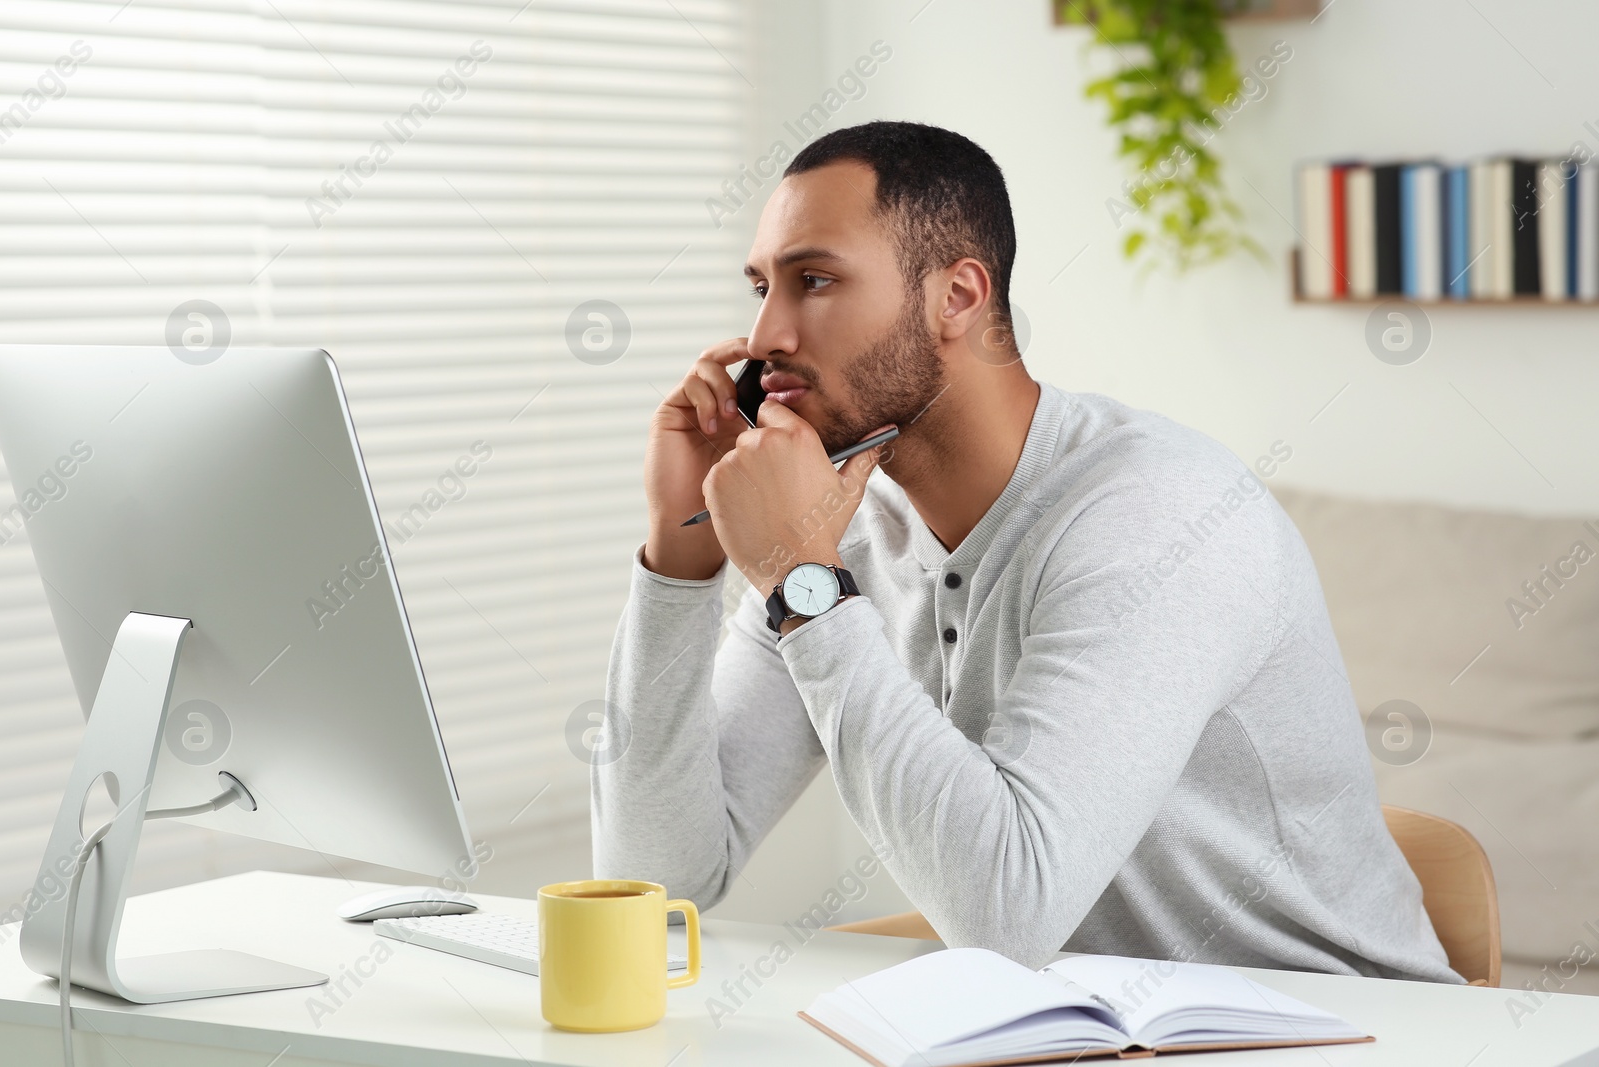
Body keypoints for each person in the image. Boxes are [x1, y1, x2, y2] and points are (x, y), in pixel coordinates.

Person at [592, 120, 1461, 981]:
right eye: (760, 288)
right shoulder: (834, 522)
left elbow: (1006, 913)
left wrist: (802, 580)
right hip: (1077, 1027)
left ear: (958, 297)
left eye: (813, 280)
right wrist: (679, 553)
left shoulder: (1157, 512)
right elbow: (657, 876)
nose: (767, 334)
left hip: (1341, 1032)